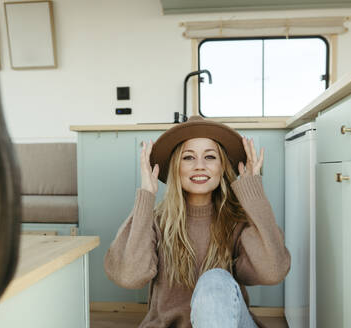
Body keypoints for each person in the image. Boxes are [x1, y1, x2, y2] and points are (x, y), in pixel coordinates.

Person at [104, 116, 291, 328]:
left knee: (215, 280)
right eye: (188, 158)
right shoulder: (156, 221)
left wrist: (253, 191)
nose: (200, 166)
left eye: (210, 157)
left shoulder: (237, 221)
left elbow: (273, 270)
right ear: (176, 167)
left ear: (222, 168)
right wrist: (146, 196)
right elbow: (129, 276)